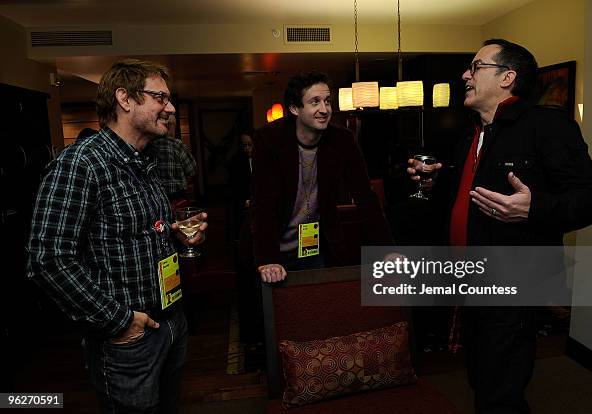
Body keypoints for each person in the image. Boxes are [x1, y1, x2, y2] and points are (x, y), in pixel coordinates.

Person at [409, 39, 592, 413]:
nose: (465, 74)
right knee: (480, 376)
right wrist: (433, 182)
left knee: (500, 391)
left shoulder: (547, 125)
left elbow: (591, 200)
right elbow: (465, 196)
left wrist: (535, 208)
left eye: (476, 66)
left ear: (507, 77)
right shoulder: (473, 132)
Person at [27, 59, 208, 413]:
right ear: (125, 99)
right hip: (128, 339)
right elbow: (48, 259)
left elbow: (138, 233)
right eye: (160, 97)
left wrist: (178, 236)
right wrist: (120, 321)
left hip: (171, 322)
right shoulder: (81, 164)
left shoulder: (144, 160)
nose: (169, 108)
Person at [251, 70, 393, 283]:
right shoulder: (269, 139)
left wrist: (386, 250)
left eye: (327, 101)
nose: (324, 109)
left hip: (316, 247)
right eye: (315, 102)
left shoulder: (342, 140)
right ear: (294, 108)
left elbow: (366, 197)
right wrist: (269, 259)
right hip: (274, 250)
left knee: (320, 310)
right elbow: (263, 204)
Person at [149, 114, 197, 203]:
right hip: (178, 195)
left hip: (156, 196)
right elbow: (192, 169)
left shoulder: (149, 145)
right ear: (170, 126)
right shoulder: (176, 144)